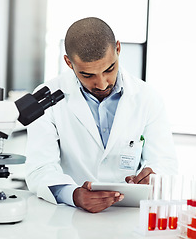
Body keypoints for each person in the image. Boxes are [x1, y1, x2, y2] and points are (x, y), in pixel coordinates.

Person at [25, 17, 177, 213]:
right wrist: (73, 195)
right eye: (87, 75)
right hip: (70, 215)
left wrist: (154, 177)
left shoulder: (148, 98)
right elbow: (39, 169)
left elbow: (165, 163)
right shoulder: (47, 98)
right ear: (68, 63)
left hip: (129, 215)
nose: (102, 84)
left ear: (119, 49)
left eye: (109, 69)